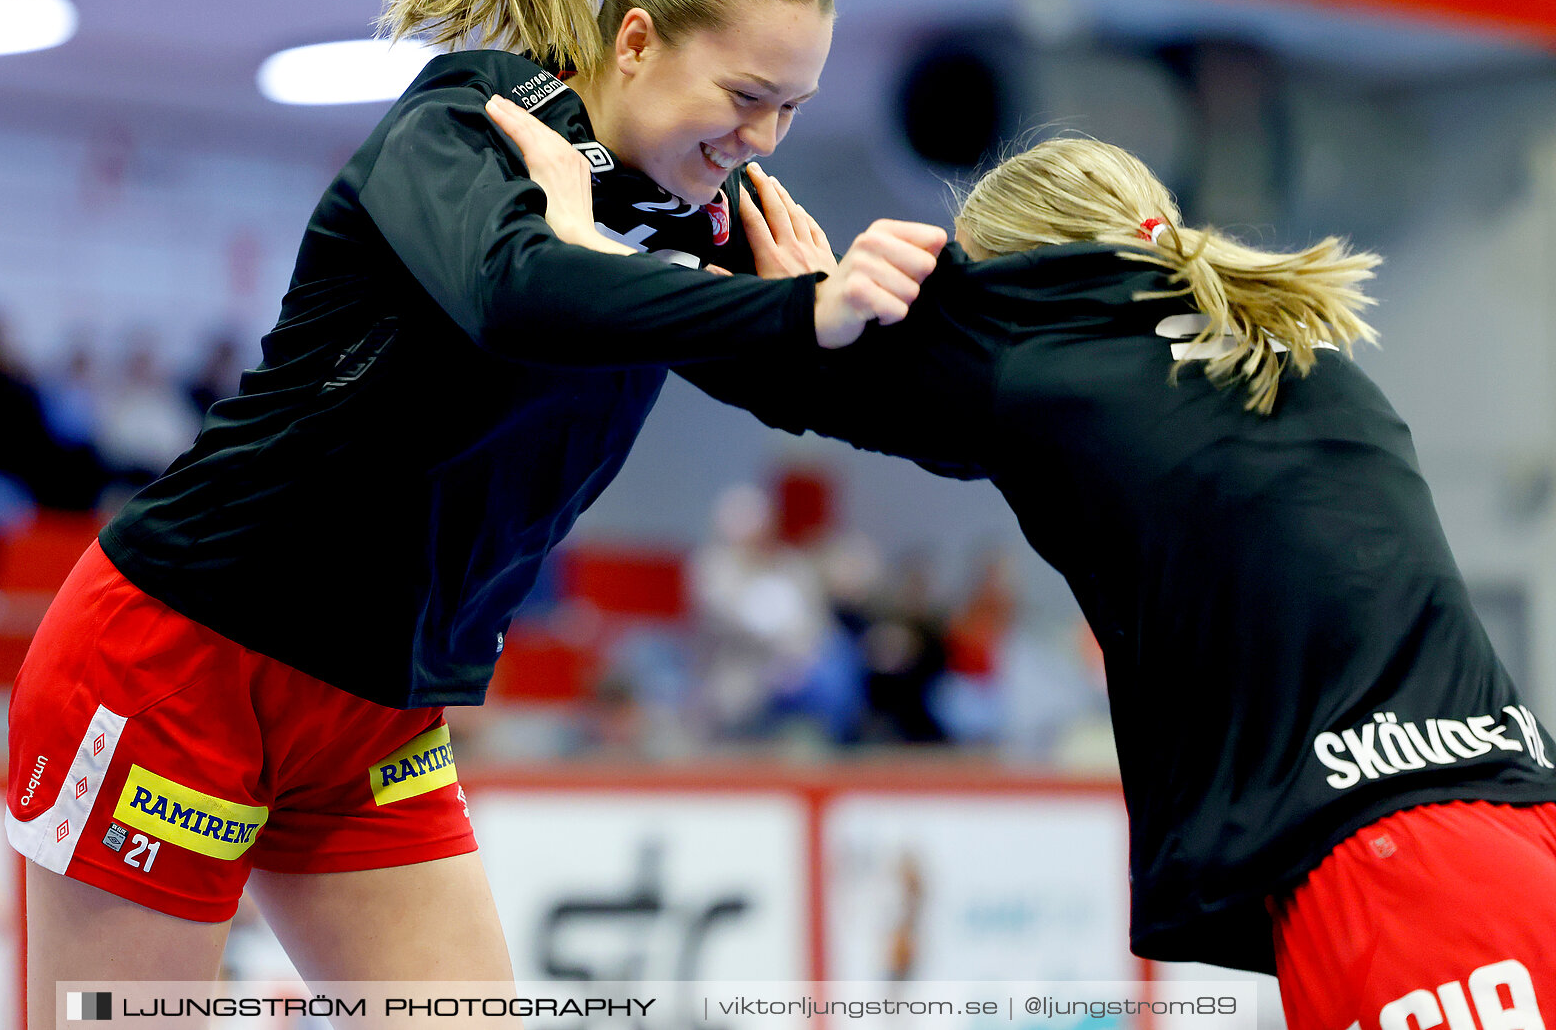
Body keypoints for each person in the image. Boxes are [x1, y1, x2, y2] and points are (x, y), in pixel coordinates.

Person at [3, 0, 945, 1023]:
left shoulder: (706, 220)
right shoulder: (477, 119)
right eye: (746, 96)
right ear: (639, 39)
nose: (763, 141)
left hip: (376, 707)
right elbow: (518, 294)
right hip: (186, 658)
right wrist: (776, 310)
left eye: (795, 110)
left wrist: (896, 338)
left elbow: (805, 381)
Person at [581, 138, 1556, 1025]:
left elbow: (784, 364)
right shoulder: (1308, 355)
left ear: (1016, 272)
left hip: (1396, 871)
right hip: (1524, 835)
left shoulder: (1046, 356)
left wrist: (605, 199)